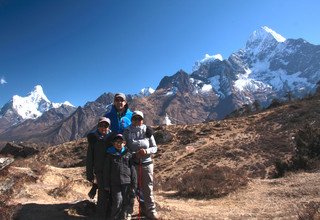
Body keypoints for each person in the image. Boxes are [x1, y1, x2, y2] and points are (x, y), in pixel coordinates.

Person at [123, 110, 159, 220]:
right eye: (135, 118)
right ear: (132, 119)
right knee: (131, 188)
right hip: (133, 164)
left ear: (142, 120)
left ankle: (151, 211)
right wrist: (134, 154)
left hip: (147, 164)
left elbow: (155, 148)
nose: (137, 120)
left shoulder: (148, 130)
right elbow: (124, 147)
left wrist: (146, 152)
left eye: (139, 118)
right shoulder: (127, 131)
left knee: (147, 188)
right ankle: (128, 211)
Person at [104, 134, 137, 220]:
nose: (119, 144)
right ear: (114, 144)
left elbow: (133, 170)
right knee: (118, 201)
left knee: (126, 202)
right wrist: (106, 184)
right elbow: (107, 171)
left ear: (124, 143)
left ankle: (123, 217)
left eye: (121, 142)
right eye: (117, 142)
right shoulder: (110, 155)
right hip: (115, 183)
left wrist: (134, 184)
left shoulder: (128, 155)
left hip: (127, 182)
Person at [86, 116, 113, 219]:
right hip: (100, 171)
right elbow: (89, 158)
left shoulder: (113, 138)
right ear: (98, 126)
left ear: (109, 126)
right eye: (101, 125)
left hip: (112, 170)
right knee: (102, 195)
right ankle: (101, 216)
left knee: (112, 194)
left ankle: (110, 215)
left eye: (105, 125)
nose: (103, 127)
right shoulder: (94, 139)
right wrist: (90, 174)